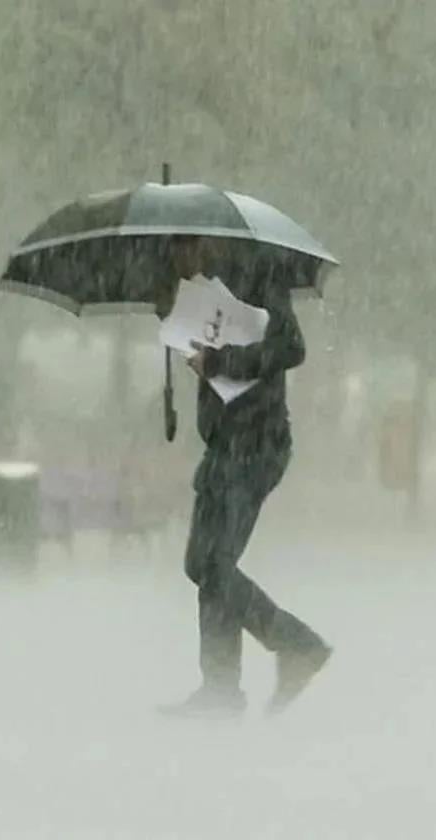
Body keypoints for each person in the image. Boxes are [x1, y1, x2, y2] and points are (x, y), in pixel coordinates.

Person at [158, 237, 331, 718]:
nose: (179, 262)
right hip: (224, 447)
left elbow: (290, 347)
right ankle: (222, 689)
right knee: (203, 565)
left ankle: (292, 646)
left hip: (255, 446)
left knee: (213, 566)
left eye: (183, 251)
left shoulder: (257, 277)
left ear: (205, 241)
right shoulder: (198, 293)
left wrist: (219, 362)